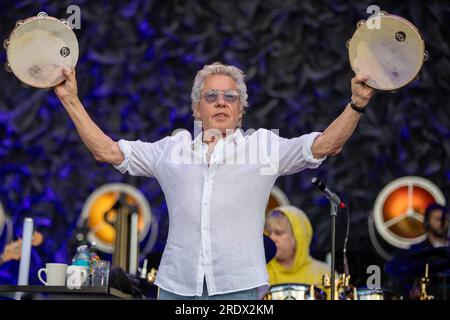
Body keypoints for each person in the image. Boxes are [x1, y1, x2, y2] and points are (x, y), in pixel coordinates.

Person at [54, 62, 374, 299]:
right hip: (176, 286)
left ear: (240, 110)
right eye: (212, 96)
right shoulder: (172, 148)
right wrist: (70, 99)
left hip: (240, 287)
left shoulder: (262, 146)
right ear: (197, 108)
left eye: (230, 96)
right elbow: (108, 152)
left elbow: (324, 146)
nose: (221, 101)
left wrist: (357, 103)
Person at [265, 205, 330, 286]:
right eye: (269, 233)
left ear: (298, 236)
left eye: (279, 233)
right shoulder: (261, 274)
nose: (272, 238)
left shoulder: (325, 274)